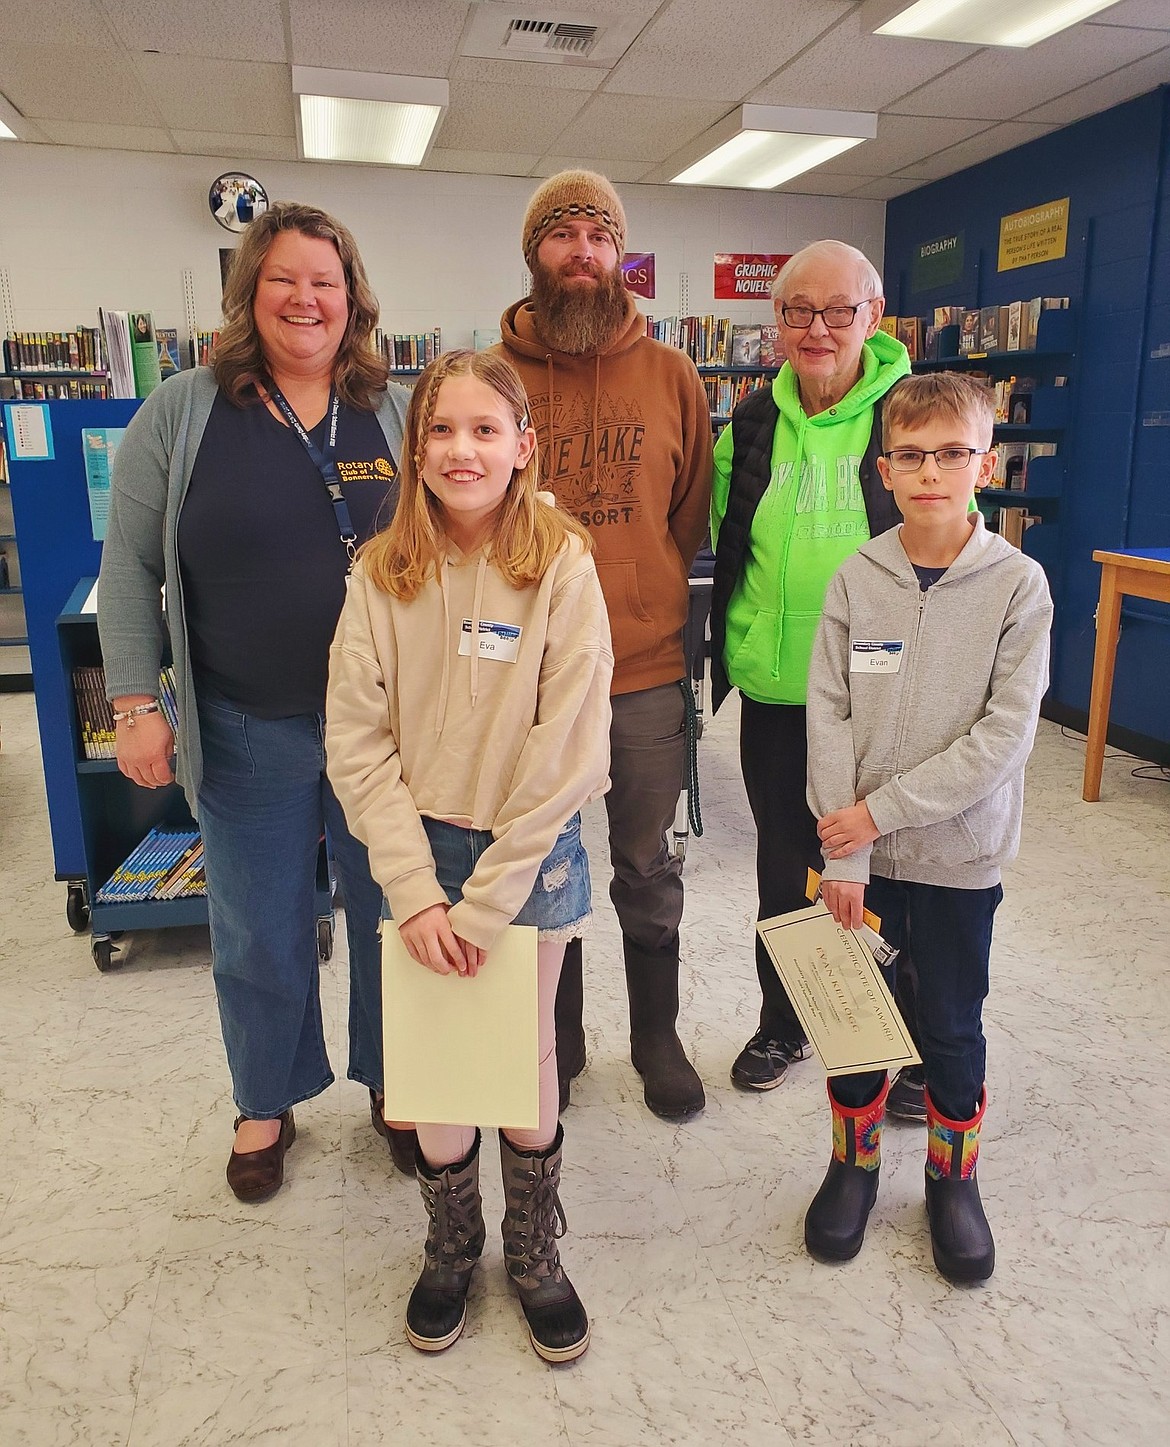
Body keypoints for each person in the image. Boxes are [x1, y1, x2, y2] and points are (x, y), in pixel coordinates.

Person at [97, 201, 417, 1202]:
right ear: (249, 294)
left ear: (354, 300)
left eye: (325, 281)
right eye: (283, 279)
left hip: (383, 731)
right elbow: (130, 563)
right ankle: (266, 1098)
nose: (305, 299)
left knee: (391, 913)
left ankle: (396, 1082)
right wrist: (138, 703)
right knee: (256, 925)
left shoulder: (396, 408)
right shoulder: (184, 411)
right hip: (243, 724)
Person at [325, 349, 612, 1362]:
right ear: (415, 449)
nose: (462, 449)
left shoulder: (564, 562)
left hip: (530, 850)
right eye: (441, 430)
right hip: (416, 850)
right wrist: (414, 889)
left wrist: (487, 903)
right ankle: (453, 1240)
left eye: (486, 429)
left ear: (523, 445)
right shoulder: (379, 571)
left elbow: (569, 743)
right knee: (439, 1064)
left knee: (527, 1054)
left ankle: (534, 1247)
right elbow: (357, 744)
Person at [803, 372, 1052, 1282]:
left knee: (950, 1024)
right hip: (856, 863)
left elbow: (1003, 738)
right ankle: (852, 1166)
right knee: (855, 1023)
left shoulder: (1019, 587)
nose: (931, 470)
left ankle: (953, 1180)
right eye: (911, 455)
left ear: (985, 462)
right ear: (886, 468)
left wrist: (881, 810)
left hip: (957, 859)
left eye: (952, 452)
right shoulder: (856, 579)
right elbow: (825, 712)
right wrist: (854, 844)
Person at [498, 170, 712, 1121]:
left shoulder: (672, 375)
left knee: (645, 859)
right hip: (526, 678)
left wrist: (642, 593)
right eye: (561, 234)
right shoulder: (491, 377)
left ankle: (655, 1035)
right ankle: (562, 1032)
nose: (582, 250)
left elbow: (688, 516)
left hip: (644, 669)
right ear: (534, 254)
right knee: (544, 858)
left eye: (599, 234)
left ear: (621, 256)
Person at [710, 239, 911, 1094]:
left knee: (890, 871)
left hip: (885, 703)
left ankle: (900, 1035)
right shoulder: (751, 421)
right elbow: (729, 538)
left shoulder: (910, 416)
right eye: (799, 311)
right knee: (783, 867)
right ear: (777, 322)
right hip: (779, 692)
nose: (819, 328)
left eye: (839, 311)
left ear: (873, 316)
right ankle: (783, 1023)